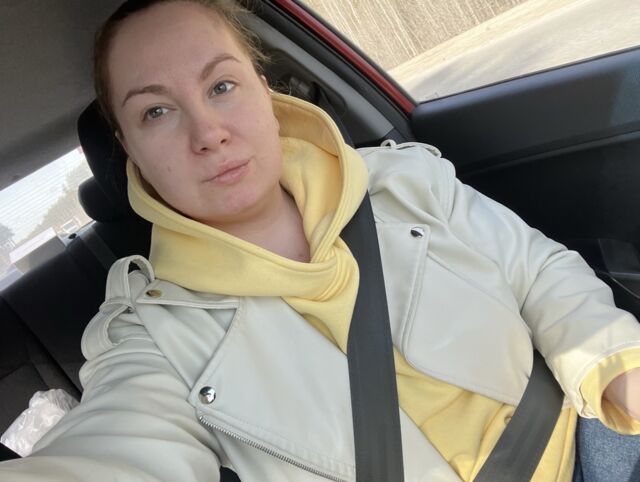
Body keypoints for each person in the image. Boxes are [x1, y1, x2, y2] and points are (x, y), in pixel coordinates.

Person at [2, 0, 640, 480]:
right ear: (129, 149)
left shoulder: (402, 180)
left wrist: (617, 370)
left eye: (221, 86)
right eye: (156, 111)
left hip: (593, 434)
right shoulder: (151, 335)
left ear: (263, 88)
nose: (208, 132)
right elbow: (118, 449)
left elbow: (535, 269)